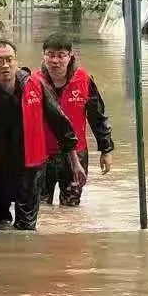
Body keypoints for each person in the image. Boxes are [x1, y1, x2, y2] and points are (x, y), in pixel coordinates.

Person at [0, 38, 76, 230]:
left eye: (9, 59)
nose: (5, 65)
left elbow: (61, 125)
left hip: (30, 169)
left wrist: (74, 162)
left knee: (26, 231)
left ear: (16, 61)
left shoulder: (36, 87)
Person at [36, 33, 114, 206]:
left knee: (71, 207)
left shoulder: (84, 80)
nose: (55, 61)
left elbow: (97, 117)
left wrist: (106, 149)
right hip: (42, 153)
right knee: (40, 207)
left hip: (76, 153)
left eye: (61, 55)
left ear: (70, 56)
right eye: (50, 55)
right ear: (43, 56)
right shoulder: (34, 82)